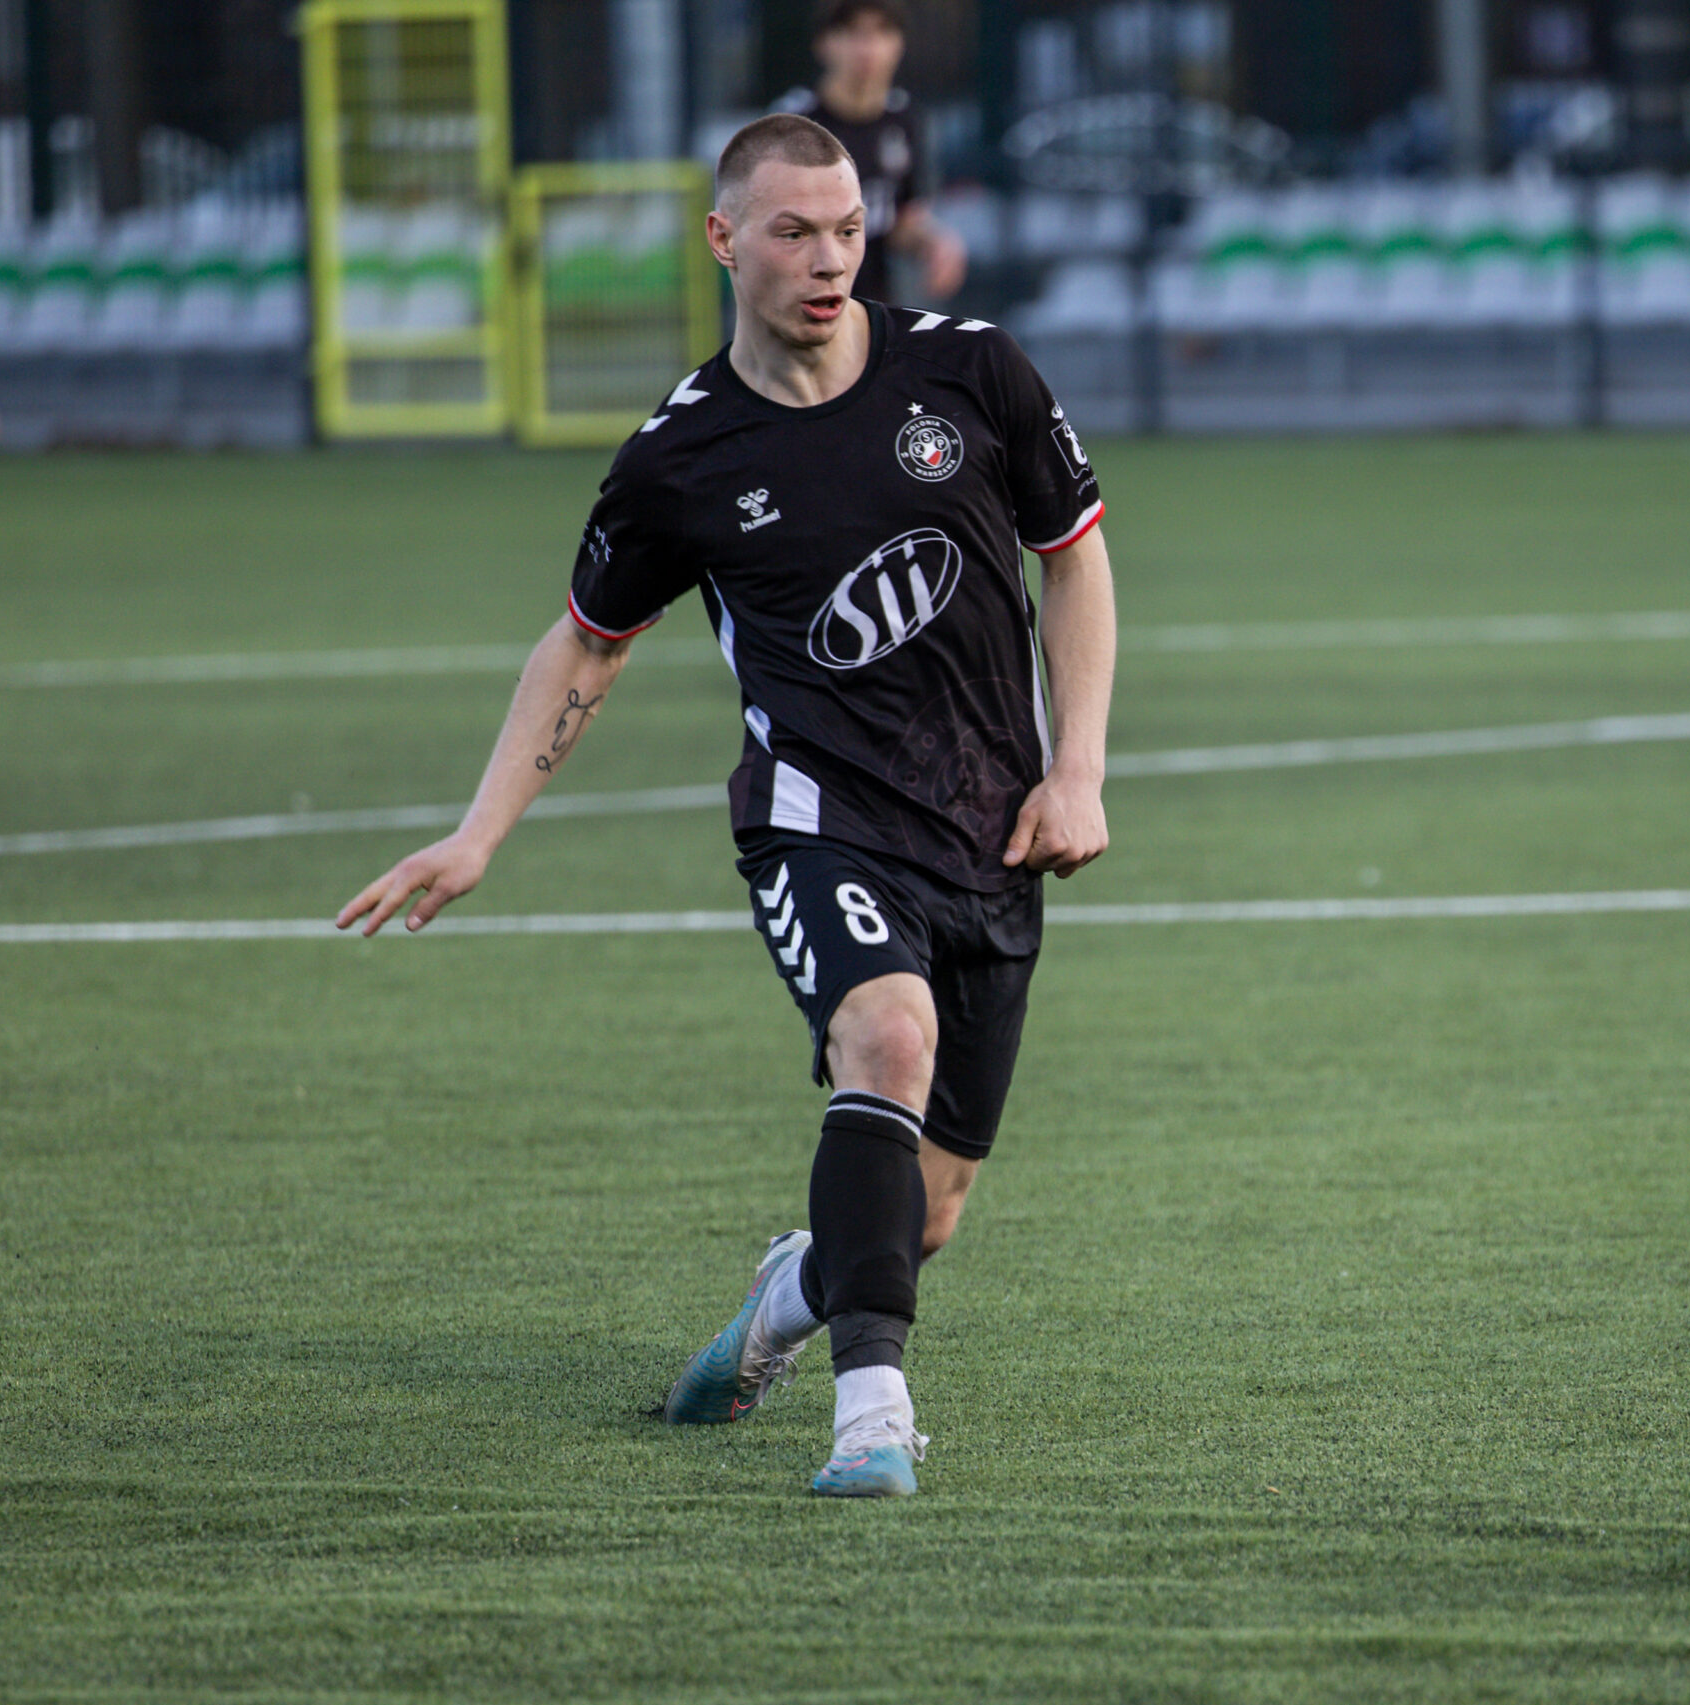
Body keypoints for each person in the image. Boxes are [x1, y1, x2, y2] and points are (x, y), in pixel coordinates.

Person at [337, 112, 1115, 1499]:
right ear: (723, 238)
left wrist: (1079, 770)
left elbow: (1075, 556)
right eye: (793, 232)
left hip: (990, 829)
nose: (829, 259)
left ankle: (791, 1295)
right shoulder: (680, 460)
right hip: (818, 818)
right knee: (887, 1036)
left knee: (925, 1212)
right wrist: (479, 831)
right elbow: (588, 643)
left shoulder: (973, 370)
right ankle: (873, 1416)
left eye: (848, 230)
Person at [772, 0, 966, 302]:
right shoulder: (794, 124)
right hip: (804, 304)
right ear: (823, 43)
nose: (867, 48)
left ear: (900, 44)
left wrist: (935, 243)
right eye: (852, 33)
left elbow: (901, 220)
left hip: (873, 306)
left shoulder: (902, 120)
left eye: (882, 32)